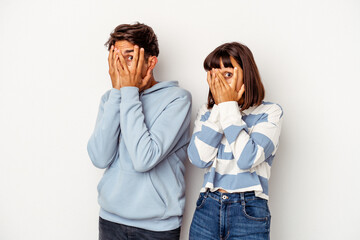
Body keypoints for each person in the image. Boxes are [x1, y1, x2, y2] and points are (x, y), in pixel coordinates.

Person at [87, 22, 192, 240]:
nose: (121, 65)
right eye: (115, 57)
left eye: (129, 56)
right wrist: (120, 93)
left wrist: (129, 92)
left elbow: (144, 159)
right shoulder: (110, 99)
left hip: (157, 228)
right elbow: (99, 157)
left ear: (151, 62)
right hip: (110, 220)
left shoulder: (177, 99)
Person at [187, 42, 283, 240]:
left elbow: (247, 158)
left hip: (248, 211)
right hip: (207, 206)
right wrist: (220, 109)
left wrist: (229, 107)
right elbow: (198, 159)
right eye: (214, 75)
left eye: (228, 74)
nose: (220, 82)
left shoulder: (269, 112)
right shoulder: (207, 112)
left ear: (246, 74)